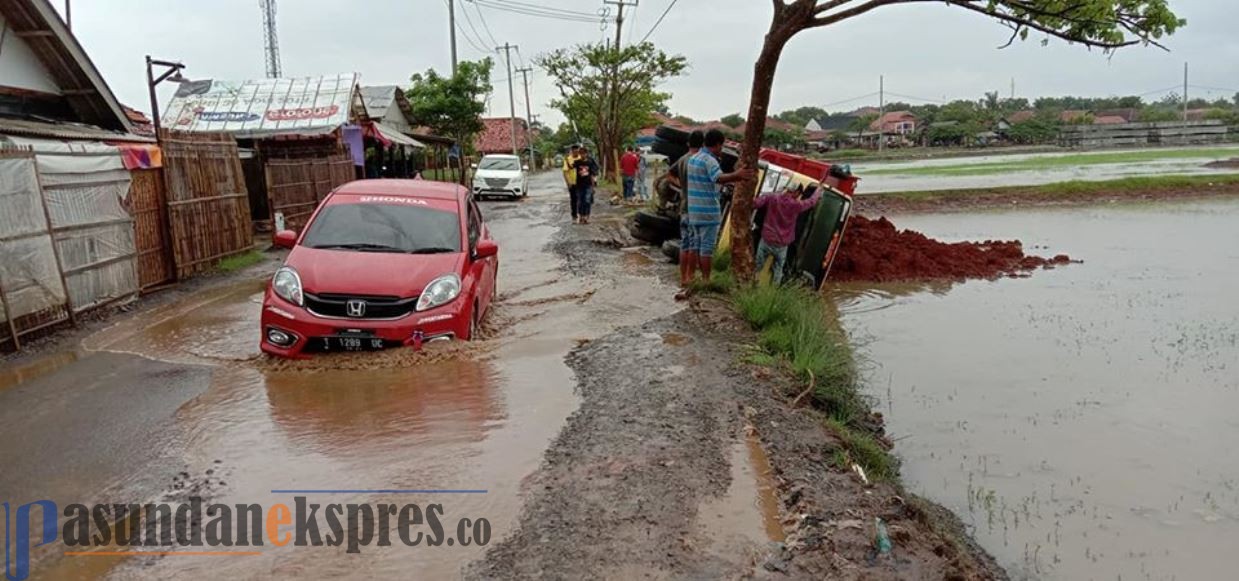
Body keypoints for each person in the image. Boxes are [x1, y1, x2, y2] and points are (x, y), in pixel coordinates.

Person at [677, 129, 754, 300]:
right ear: (718, 144)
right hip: (708, 212)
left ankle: (693, 278)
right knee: (707, 249)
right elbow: (717, 178)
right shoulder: (709, 160)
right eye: (722, 145)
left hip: (694, 211)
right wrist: (738, 175)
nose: (722, 149)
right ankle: (706, 280)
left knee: (695, 246)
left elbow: (705, 181)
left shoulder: (693, 159)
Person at [755, 185, 821, 284]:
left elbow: (756, 203)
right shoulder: (796, 205)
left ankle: (750, 284)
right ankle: (773, 291)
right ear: (796, 192)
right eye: (799, 194)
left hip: (767, 240)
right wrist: (818, 191)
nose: (798, 196)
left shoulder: (772, 197)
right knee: (778, 270)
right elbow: (810, 202)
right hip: (781, 245)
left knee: (757, 266)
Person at [572, 147, 599, 224]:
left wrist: (593, 185)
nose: (583, 155)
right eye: (581, 153)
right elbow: (570, 167)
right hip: (579, 185)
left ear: (586, 154)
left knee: (587, 201)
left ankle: (587, 216)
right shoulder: (577, 162)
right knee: (580, 201)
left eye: (584, 153)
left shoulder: (590, 162)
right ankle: (581, 216)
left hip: (589, 184)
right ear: (579, 154)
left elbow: (593, 174)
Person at [562, 144, 583, 222]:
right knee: (574, 199)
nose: (576, 153)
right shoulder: (567, 160)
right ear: (572, 151)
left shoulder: (582, 158)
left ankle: (581, 214)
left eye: (577, 151)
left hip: (581, 182)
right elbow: (565, 172)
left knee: (581, 199)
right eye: (574, 151)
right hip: (572, 183)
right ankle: (574, 214)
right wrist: (568, 183)